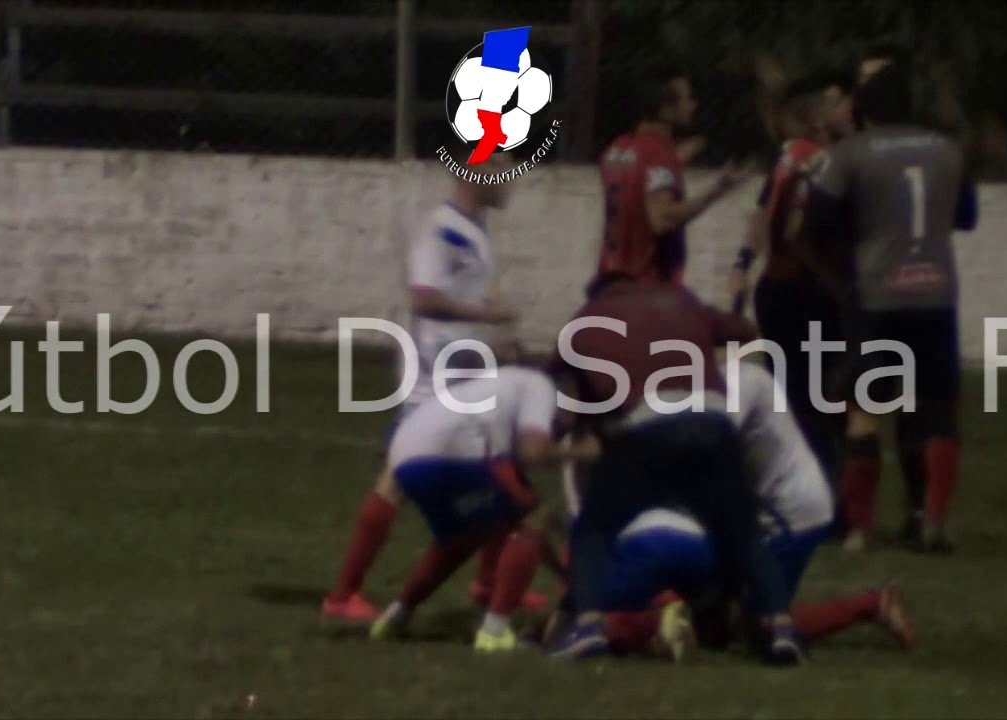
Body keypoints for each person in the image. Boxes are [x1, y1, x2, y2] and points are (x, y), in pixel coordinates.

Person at [321, 151, 547, 623]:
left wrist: (502, 342)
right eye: (502, 169)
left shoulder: (473, 232)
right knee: (397, 479)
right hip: (435, 376)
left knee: (502, 465)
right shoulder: (440, 231)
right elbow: (424, 300)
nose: (510, 179)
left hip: (465, 372)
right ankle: (343, 594)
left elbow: (472, 295)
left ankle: (489, 583)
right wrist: (489, 317)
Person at [571, 361, 913, 659]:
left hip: (786, 513)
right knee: (727, 620)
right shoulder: (702, 386)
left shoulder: (732, 383)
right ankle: (869, 605)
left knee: (749, 626)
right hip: (761, 507)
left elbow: (705, 455)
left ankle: (866, 606)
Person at [545, 277, 804, 665]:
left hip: (645, 427)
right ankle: (781, 628)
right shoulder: (682, 302)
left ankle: (588, 626)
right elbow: (745, 331)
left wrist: (556, 438)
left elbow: (567, 397)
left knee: (594, 529)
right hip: (712, 421)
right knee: (744, 530)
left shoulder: (585, 321)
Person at [802, 63, 978, 554]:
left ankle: (860, 529)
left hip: (876, 292)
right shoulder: (948, 150)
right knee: (936, 408)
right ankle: (932, 521)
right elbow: (966, 217)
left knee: (864, 409)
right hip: (936, 294)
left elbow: (817, 222)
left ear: (863, 109)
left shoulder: (851, 153)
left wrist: (842, 273)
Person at [368, 366, 600, 652]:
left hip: (404, 454)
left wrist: (564, 574)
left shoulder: (505, 387)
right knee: (533, 518)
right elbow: (534, 453)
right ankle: (494, 631)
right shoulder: (540, 387)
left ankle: (396, 615)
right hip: (455, 450)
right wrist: (582, 452)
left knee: (466, 536)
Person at [727, 71, 856, 488]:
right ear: (818, 116)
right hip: (806, 292)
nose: (848, 108)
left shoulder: (790, 155)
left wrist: (743, 263)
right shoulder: (819, 162)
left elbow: (762, 212)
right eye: (838, 102)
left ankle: (785, 483)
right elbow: (794, 229)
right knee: (819, 400)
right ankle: (815, 489)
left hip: (780, 289)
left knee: (793, 396)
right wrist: (836, 283)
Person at [595, 63, 745, 289]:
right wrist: (717, 191)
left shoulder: (617, 149)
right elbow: (662, 219)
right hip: (647, 285)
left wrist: (688, 151)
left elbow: (643, 176)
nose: (693, 105)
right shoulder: (658, 155)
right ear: (665, 110)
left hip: (608, 281)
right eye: (687, 99)